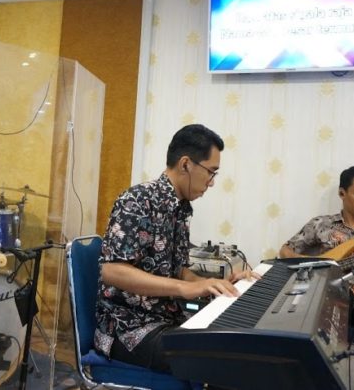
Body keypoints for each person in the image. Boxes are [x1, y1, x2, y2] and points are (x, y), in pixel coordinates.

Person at [95, 124, 253, 375]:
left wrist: (214, 284)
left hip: (167, 319)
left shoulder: (182, 208)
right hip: (129, 328)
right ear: (186, 164)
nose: (212, 182)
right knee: (220, 360)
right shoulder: (136, 200)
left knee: (238, 343)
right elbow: (112, 271)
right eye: (211, 172)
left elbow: (179, 270)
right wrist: (184, 288)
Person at [279, 166, 354, 390]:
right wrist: (316, 263)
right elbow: (285, 251)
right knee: (304, 337)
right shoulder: (321, 225)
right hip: (328, 295)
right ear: (342, 193)